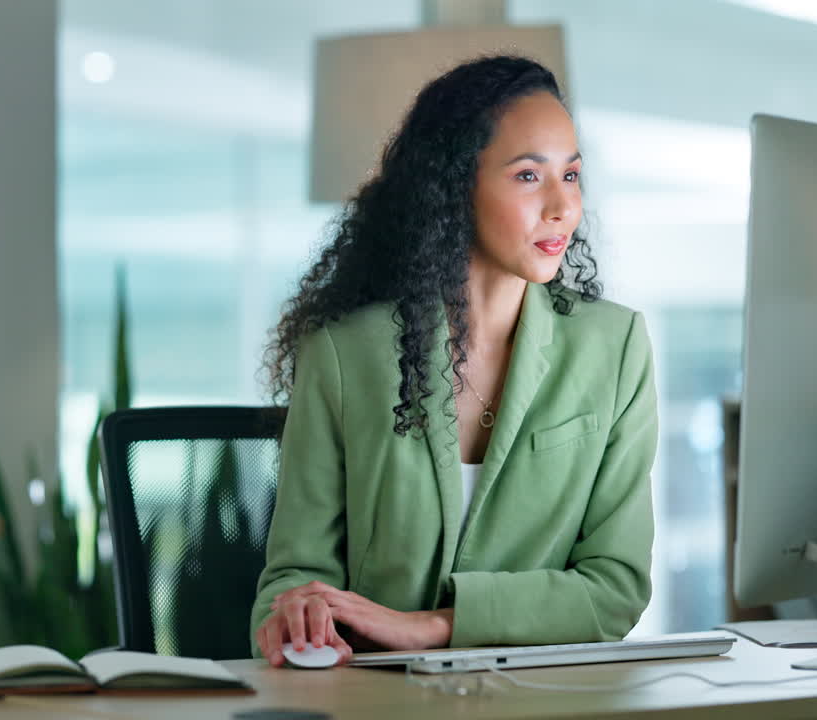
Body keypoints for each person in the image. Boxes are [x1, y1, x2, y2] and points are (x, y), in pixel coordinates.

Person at [250, 55, 657, 667]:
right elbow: (292, 579)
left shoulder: (616, 347)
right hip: (379, 700)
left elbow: (615, 589)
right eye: (527, 176)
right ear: (454, 186)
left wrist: (434, 626)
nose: (562, 207)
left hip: (547, 704)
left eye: (571, 176)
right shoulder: (344, 353)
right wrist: (296, 616)